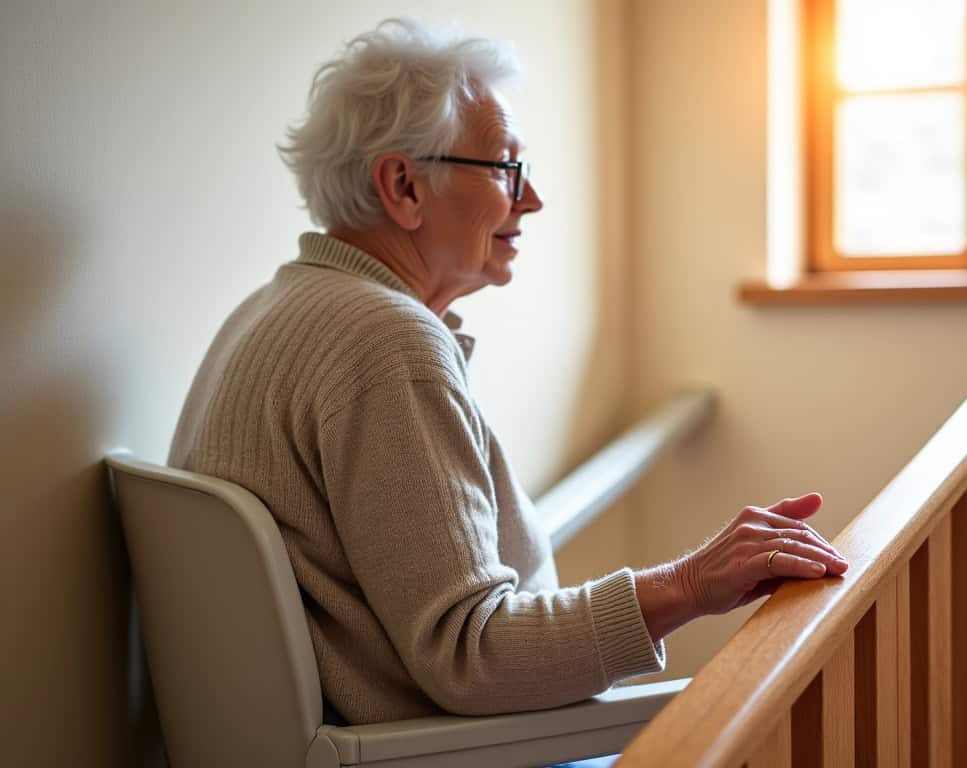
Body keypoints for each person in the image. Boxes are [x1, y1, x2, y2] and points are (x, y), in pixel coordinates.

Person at [168, 18, 848, 730]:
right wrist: (687, 585)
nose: (532, 199)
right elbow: (471, 654)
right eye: (505, 168)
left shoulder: (274, 306)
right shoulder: (385, 342)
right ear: (403, 185)